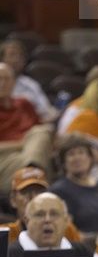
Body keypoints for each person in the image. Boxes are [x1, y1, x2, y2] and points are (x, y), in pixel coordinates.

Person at [0, 62, 53, 194]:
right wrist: (24, 144)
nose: (2, 83)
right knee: (38, 138)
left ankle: (31, 174)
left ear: (14, 82)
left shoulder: (24, 104)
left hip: (25, 157)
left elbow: (42, 136)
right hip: (4, 160)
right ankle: (35, 176)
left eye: (6, 79)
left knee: (42, 131)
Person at [0, 166, 81, 243]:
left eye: (40, 192)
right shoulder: (4, 234)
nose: (34, 198)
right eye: (25, 192)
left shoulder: (65, 229)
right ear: (13, 200)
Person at [50, 135, 98, 234]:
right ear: (63, 162)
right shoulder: (57, 192)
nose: (77, 158)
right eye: (71, 154)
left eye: (81, 152)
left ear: (90, 158)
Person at [8, 192, 92, 257]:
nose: (47, 220)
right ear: (26, 221)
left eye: (54, 214)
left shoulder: (82, 253)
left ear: (66, 221)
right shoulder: (7, 256)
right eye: (39, 215)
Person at [0, 38, 56, 121]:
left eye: (20, 56)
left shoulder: (31, 84)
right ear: (2, 59)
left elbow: (46, 110)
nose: (17, 59)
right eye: (12, 55)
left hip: (32, 125)